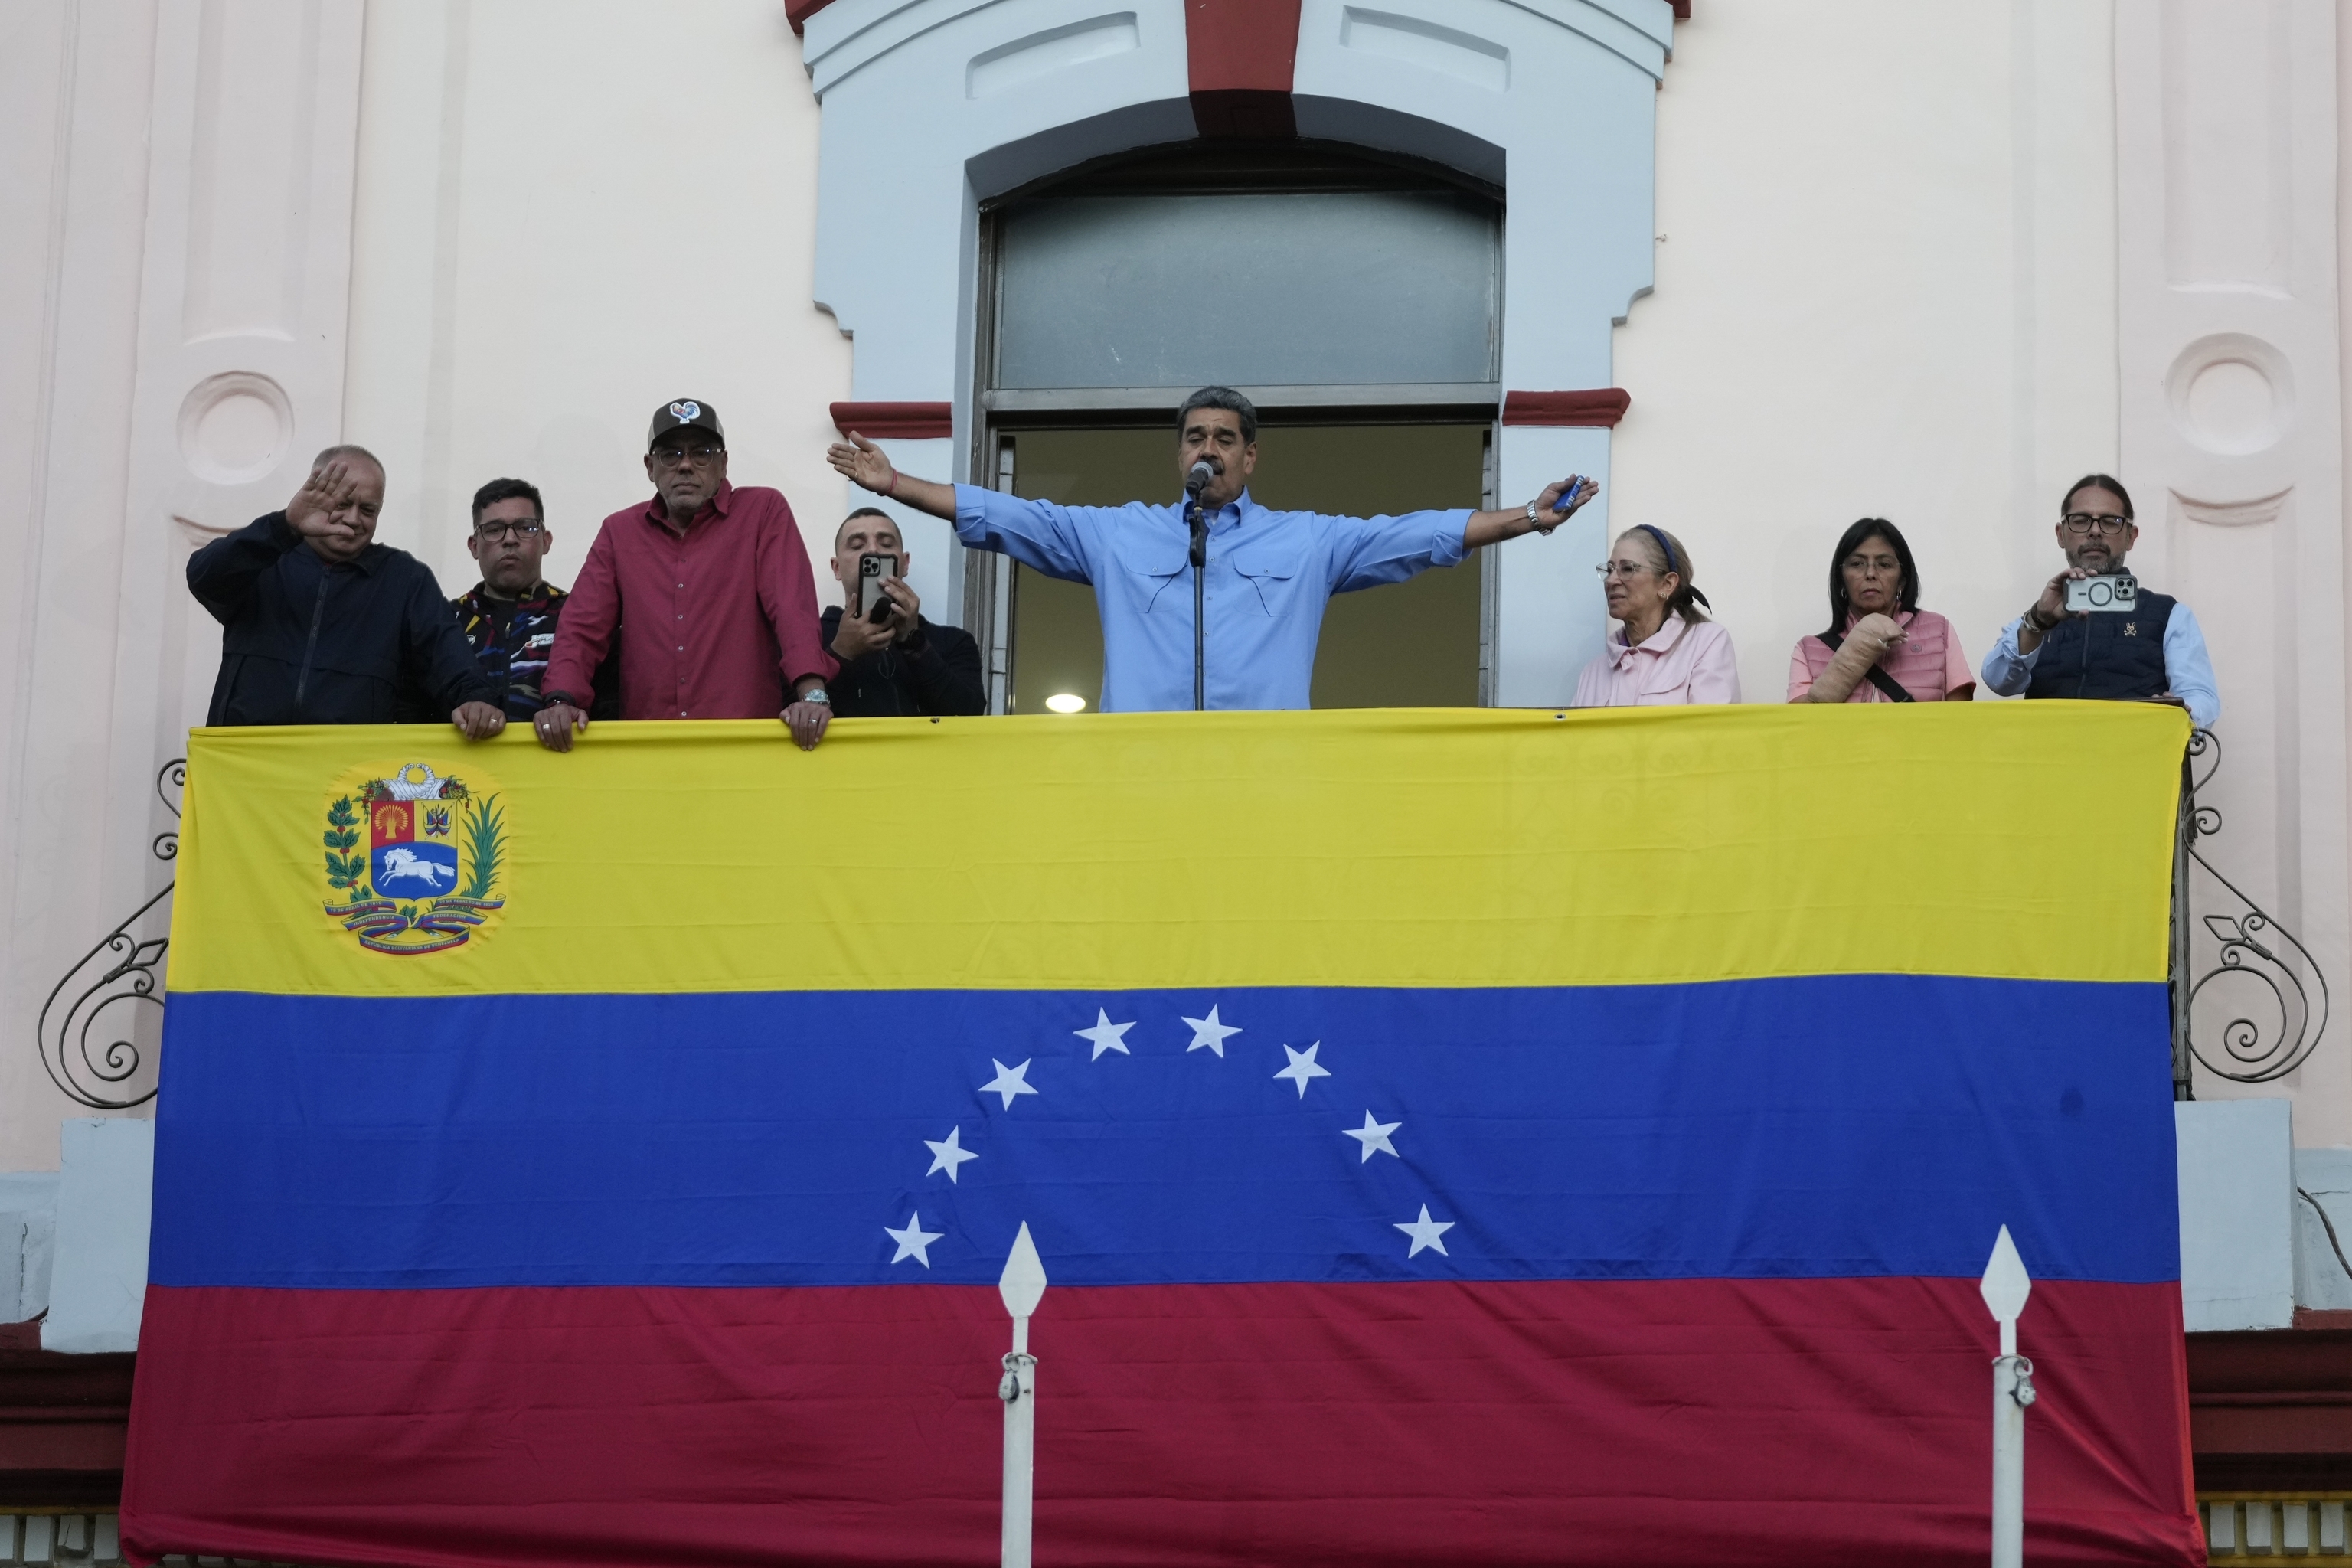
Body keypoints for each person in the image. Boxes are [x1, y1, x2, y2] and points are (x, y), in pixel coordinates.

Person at [825, 386, 1596, 711]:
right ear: (1178, 451)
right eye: (1196, 437)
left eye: (1226, 439)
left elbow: (1415, 537)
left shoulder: (1306, 540)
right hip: (1137, 776)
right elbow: (1008, 515)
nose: (1210, 449)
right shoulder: (1119, 533)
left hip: (1264, 775)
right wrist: (896, 483)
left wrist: (1524, 515)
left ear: (1251, 457)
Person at [536, 400, 837, 751]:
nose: (685, 465)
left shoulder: (762, 512)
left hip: (746, 745)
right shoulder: (619, 532)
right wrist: (561, 700)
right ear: (650, 467)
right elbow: (582, 626)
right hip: (649, 747)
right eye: (670, 454)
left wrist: (813, 695)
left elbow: (791, 608)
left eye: (702, 454)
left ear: (723, 464)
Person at [186, 446, 503, 737]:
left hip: (348, 776)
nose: (353, 519)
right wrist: (285, 527)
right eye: (342, 504)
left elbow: (445, 653)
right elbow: (202, 576)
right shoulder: (267, 557)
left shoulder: (404, 578)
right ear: (313, 494)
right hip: (243, 765)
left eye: (368, 510)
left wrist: (476, 698)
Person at [1978, 474, 2219, 729]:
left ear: (2130, 537)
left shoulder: (2168, 615)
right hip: (2048, 761)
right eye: (2081, 521)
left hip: (2133, 760)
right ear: (2061, 535)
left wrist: (2182, 711)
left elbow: (2201, 697)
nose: (2095, 531)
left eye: (2110, 521)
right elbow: (1997, 681)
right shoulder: (2043, 615)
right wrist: (2038, 622)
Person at [448, 477, 610, 724]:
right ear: (473, 546)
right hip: (464, 763)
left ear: (546, 541)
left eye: (525, 528)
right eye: (493, 529)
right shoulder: (447, 622)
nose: (510, 539)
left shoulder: (579, 619)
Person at [819, 508, 985, 717]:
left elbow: (970, 714)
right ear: (837, 568)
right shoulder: (809, 638)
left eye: (886, 544)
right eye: (857, 546)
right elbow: (788, 710)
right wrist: (841, 652)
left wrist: (914, 641)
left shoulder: (954, 642)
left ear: (905, 563)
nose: (873, 551)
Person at [1787, 518, 1975, 703]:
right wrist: (1859, 647)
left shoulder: (1940, 631)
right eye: (1857, 564)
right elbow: (1801, 726)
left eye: (1884, 564)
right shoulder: (1808, 649)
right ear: (1841, 579)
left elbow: (1960, 721)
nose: (1870, 574)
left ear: (1903, 579)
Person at [1571, 524, 1739, 706]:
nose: (1611, 581)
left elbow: (1709, 731)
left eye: (1627, 569)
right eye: (1610, 569)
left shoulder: (1706, 644)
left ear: (1667, 584)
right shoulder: (1593, 673)